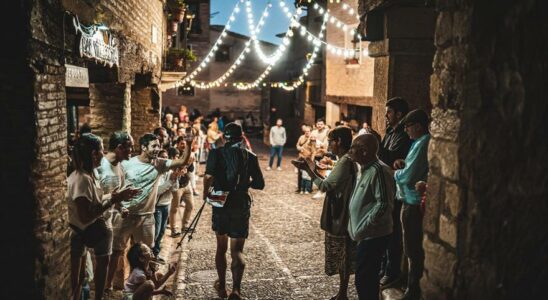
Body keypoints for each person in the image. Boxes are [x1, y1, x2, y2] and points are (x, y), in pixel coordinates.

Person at [108, 133, 193, 292]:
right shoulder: (127, 164)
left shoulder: (159, 164)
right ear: (144, 147)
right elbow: (115, 185)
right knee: (116, 251)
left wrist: (189, 143)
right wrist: (119, 206)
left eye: (159, 146)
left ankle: (147, 289)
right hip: (124, 215)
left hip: (147, 216)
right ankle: (112, 287)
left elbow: (182, 161)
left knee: (148, 253)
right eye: (154, 146)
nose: (157, 149)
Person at [67, 133, 138, 300]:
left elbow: (95, 202)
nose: (103, 154)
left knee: (81, 279)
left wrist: (116, 197)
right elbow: (85, 216)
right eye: (101, 150)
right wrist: (114, 199)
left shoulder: (91, 174)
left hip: (86, 234)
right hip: (80, 234)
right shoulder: (81, 180)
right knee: (75, 283)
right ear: (93, 154)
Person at [292, 127, 357, 300]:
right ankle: (342, 293)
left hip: (341, 212)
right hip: (346, 209)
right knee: (346, 252)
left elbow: (325, 186)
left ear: (339, 142)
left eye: (331, 140)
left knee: (344, 253)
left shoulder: (346, 160)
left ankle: (343, 293)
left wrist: (308, 170)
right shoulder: (346, 159)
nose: (328, 144)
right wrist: (330, 165)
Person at [203, 123, 265, 300]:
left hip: (219, 201)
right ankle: (236, 290)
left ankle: (222, 285)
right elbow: (260, 183)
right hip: (240, 202)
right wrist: (245, 184)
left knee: (221, 247)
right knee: (237, 250)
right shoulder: (250, 156)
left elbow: (208, 176)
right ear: (242, 137)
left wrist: (205, 195)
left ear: (225, 137)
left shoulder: (216, 153)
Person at [347, 134, 395, 300]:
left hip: (373, 235)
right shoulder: (366, 169)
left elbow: (383, 204)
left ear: (365, 151)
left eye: (353, 147)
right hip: (365, 235)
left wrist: (362, 227)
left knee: (365, 280)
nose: (350, 151)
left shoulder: (379, 170)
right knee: (364, 279)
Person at [393, 109, 430, 300]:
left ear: (418, 126)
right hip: (410, 200)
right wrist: (402, 163)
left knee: (412, 248)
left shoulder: (423, 143)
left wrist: (396, 173)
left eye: (408, 126)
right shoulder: (418, 143)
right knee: (410, 247)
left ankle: (412, 290)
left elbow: (408, 176)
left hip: (413, 203)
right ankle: (409, 285)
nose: (406, 130)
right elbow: (410, 167)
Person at [377, 97, 412, 289]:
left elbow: (391, 158)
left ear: (399, 114)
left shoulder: (404, 135)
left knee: (394, 232)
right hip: (387, 186)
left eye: (389, 112)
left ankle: (392, 271)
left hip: (398, 188)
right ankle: (383, 267)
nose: (386, 115)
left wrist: (376, 144)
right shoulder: (390, 131)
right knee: (385, 229)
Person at [95, 131, 136, 292]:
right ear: (119, 147)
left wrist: (121, 207)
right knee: (100, 259)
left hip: (109, 219)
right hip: (96, 219)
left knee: (111, 254)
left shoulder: (120, 166)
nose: (132, 151)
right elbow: (93, 196)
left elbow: (117, 194)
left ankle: (106, 287)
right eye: (129, 148)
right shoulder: (100, 166)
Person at [153, 149, 180, 263]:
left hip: (166, 204)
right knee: (156, 232)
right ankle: (152, 257)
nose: (165, 159)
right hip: (157, 207)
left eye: (166, 157)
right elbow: (158, 191)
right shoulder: (156, 174)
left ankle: (156, 254)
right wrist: (170, 181)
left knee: (162, 231)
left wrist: (175, 178)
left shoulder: (170, 172)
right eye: (162, 157)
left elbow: (175, 189)